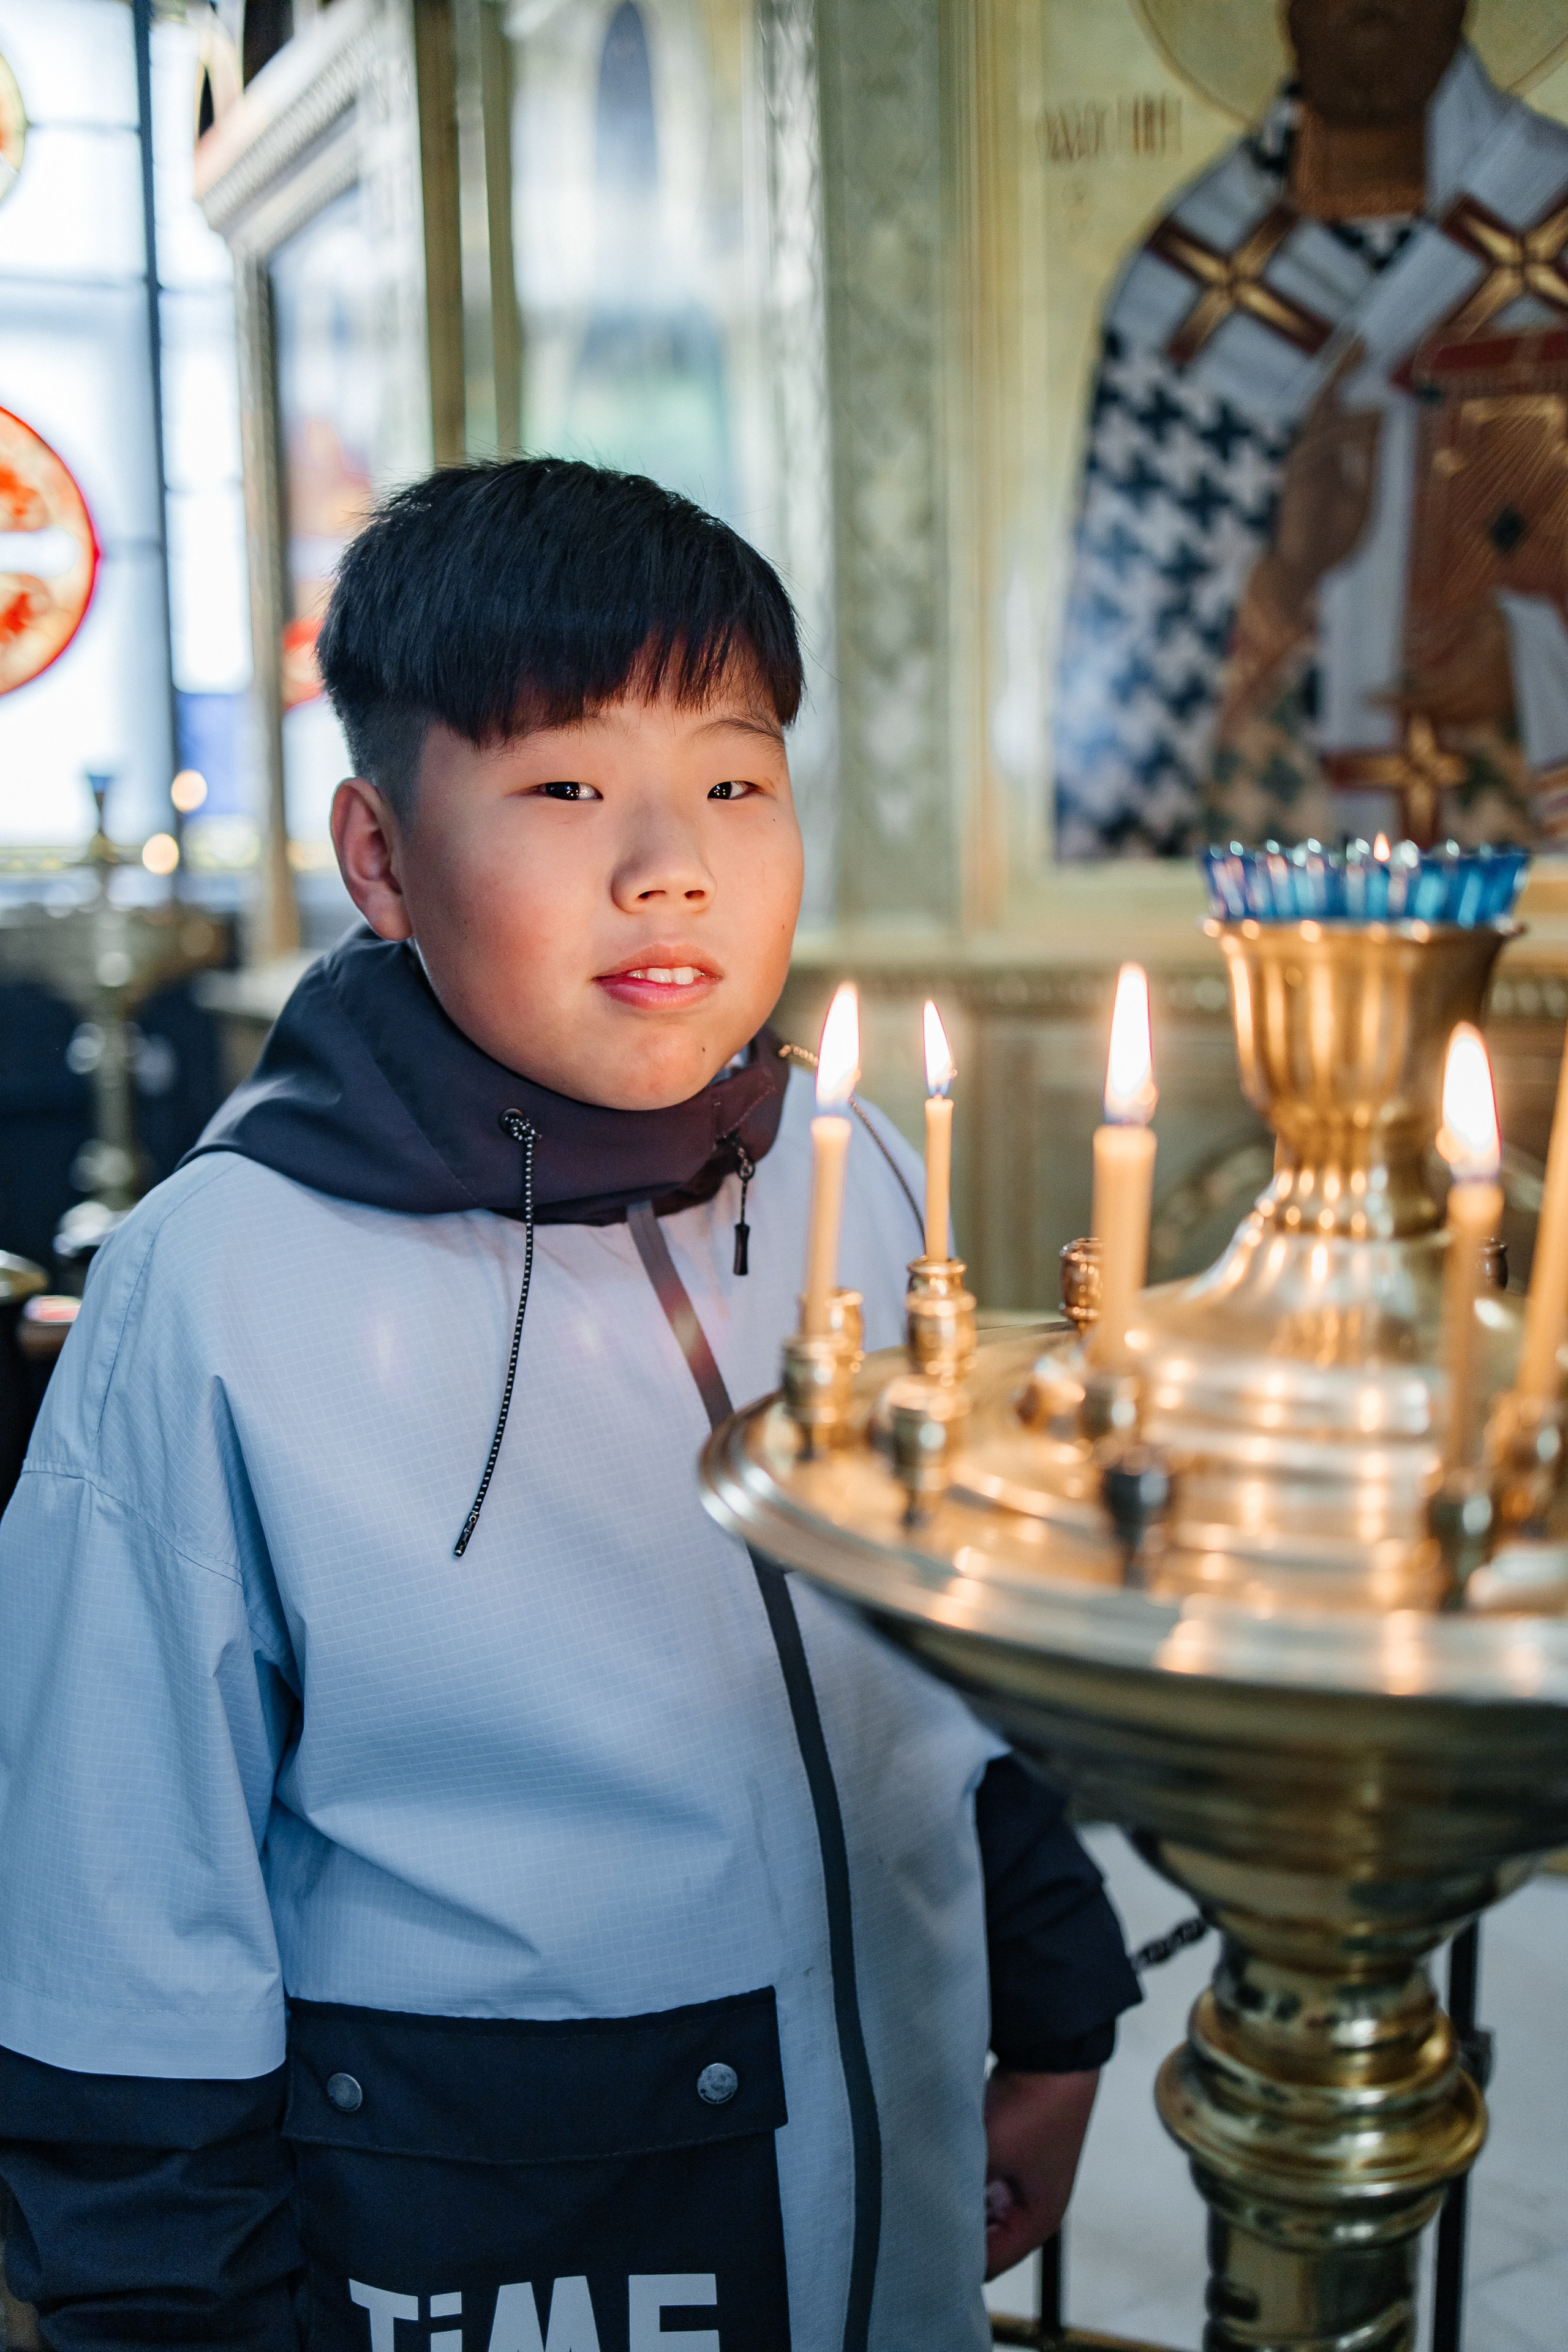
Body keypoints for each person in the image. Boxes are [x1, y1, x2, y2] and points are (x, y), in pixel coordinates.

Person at [0, 460, 1139, 2352]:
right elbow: (122, 1934)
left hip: (894, 2171)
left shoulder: (850, 1180)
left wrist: (1052, 2006)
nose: (668, 863)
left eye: (732, 780)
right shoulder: (221, 1287)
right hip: (503, 2238)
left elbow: (940, 1664)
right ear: (379, 857)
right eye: (561, 787)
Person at [1055, 0, 1568, 857]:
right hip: (1282, 868)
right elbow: (1133, 671)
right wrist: (1286, 578)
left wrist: (1526, 660)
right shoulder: (1180, 293)